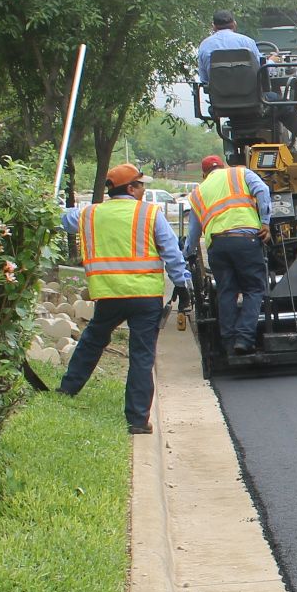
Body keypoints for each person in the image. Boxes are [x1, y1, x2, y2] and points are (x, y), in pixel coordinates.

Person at [59, 163, 193, 435]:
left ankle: (67, 389)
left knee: (93, 340)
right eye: (141, 185)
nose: (143, 189)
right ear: (130, 188)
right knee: (142, 355)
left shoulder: (90, 213)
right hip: (145, 297)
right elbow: (171, 253)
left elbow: (62, 219)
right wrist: (182, 284)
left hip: (108, 294)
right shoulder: (150, 214)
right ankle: (138, 420)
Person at [196, 9, 297, 161]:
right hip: (254, 102)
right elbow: (262, 72)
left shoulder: (204, 46)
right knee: (286, 106)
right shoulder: (246, 42)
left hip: (221, 106)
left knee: (274, 101)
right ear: (234, 24)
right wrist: (272, 61)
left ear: (213, 26)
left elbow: (205, 81)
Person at [188, 154, 272, 356]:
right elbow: (263, 190)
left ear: (204, 174)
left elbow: (193, 233)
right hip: (245, 240)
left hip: (217, 245)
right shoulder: (240, 173)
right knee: (253, 289)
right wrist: (265, 222)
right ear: (223, 166)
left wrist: (187, 255)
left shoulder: (197, 192)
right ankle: (244, 339)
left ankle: (228, 343)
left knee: (227, 292)